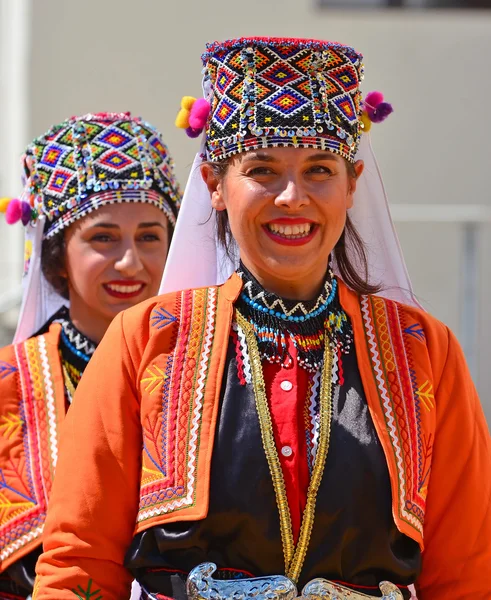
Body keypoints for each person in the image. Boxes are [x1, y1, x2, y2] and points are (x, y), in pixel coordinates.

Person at [33, 39, 491, 600]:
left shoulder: (424, 350)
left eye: (319, 169)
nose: (292, 197)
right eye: (263, 170)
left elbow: (466, 572)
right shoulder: (146, 340)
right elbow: (81, 559)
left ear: (352, 184)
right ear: (214, 185)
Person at [0, 112, 180, 599]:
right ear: (58, 256)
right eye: (103, 238)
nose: (130, 262)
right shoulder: (9, 388)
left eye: (149, 236)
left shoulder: (216, 365)